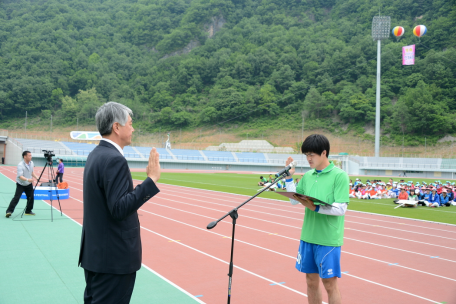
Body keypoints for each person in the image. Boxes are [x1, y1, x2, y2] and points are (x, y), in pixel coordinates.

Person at [78, 102, 161, 304]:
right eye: (130, 123)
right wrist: (150, 181)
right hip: (113, 260)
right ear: (116, 127)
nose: (133, 128)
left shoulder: (95, 155)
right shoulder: (114, 159)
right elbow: (119, 208)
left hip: (96, 255)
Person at [284, 134, 349, 304]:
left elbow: (341, 208)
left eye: (312, 154)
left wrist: (316, 207)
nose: (308, 159)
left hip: (328, 239)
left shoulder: (339, 176)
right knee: (311, 282)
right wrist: (289, 178)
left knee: (329, 284)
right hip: (308, 237)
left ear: (324, 153)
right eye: (306, 155)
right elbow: (293, 200)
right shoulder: (308, 175)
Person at [5, 151, 38, 217]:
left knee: (31, 197)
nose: (31, 157)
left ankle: (28, 211)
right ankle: (9, 211)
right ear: (24, 156)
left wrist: (37, 177)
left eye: (31, 155)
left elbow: (31, 172)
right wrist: (28, 179)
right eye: (29, 155)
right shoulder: (20, 165)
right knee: (16, 198)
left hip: (28, 184)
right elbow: (20, 176)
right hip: (21, 184)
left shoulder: (31, 163)